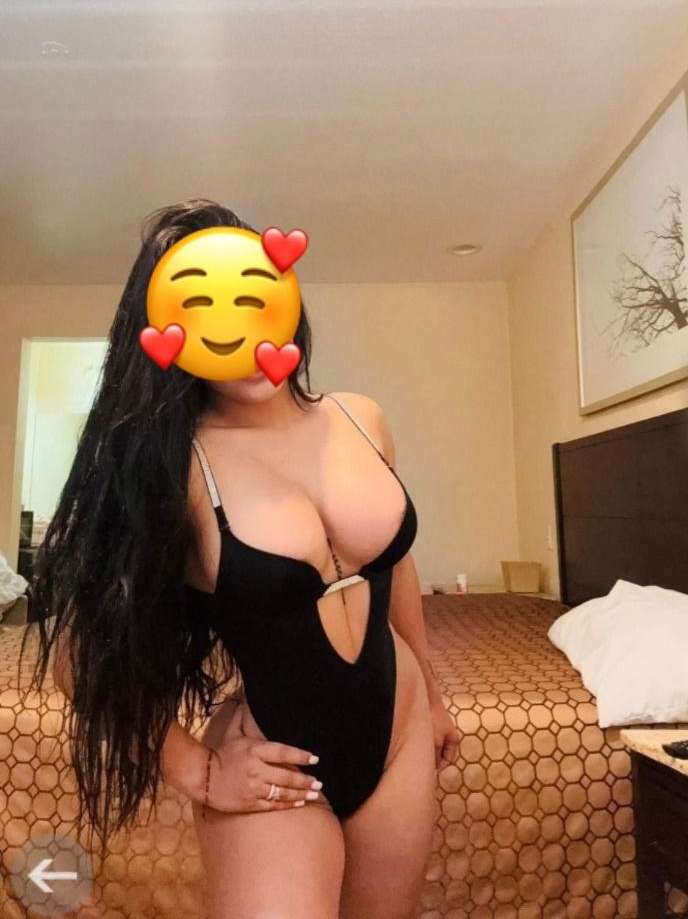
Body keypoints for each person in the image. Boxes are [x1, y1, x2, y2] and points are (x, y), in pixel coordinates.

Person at [21, 198, 460, 919]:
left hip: (401, 735)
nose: (243, 333)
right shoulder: (175, 468)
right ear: (168, 334)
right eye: (206, 312)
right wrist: (199, 772)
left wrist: (435, 699)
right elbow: (79, 655)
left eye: (254, 299)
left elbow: (394, 565)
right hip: (279, 765)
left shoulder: (360, 417)